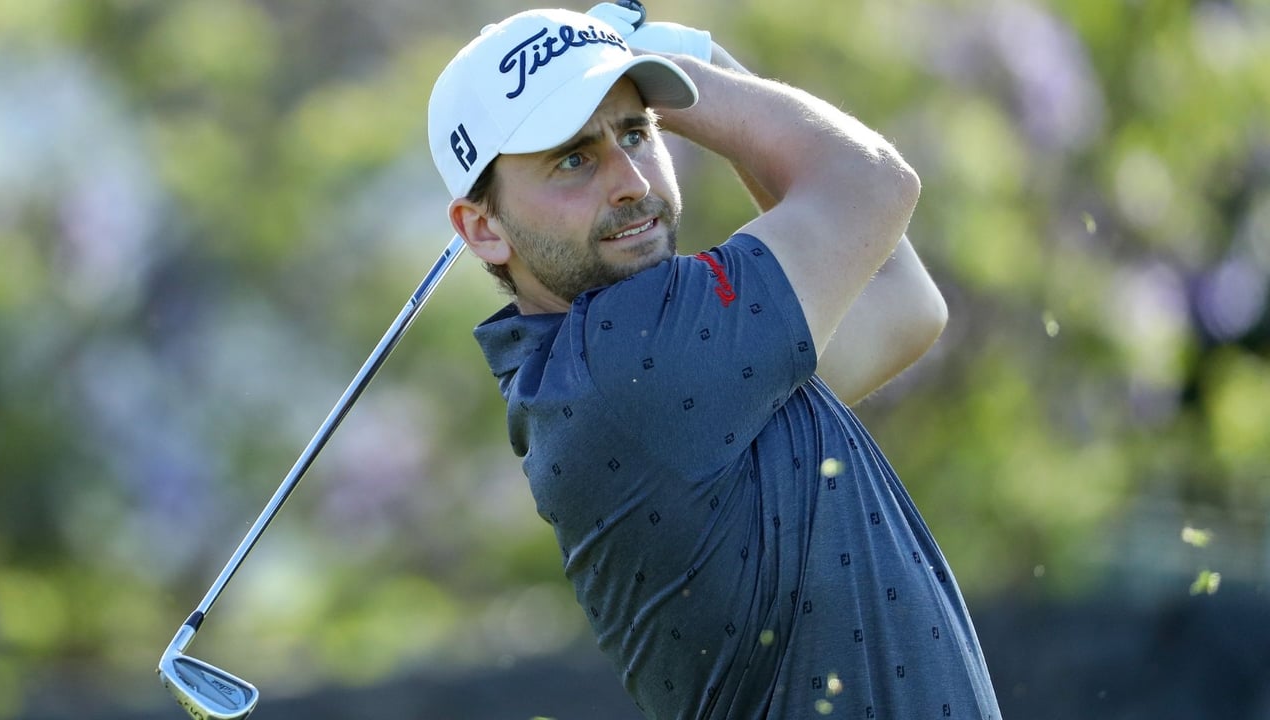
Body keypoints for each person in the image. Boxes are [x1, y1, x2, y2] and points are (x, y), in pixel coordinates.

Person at [427, 5, 1001, 719]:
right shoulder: (630, 359)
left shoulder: (642, 381)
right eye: (573, 158)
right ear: (483, 228)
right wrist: (693, 61)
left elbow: (904, 302)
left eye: (638, 131)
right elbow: (876, 184)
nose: (631, 180)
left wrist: (672, 62)